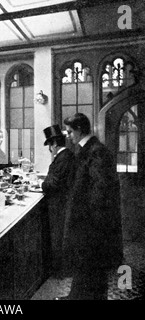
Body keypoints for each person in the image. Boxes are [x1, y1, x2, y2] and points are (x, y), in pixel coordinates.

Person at [56, 113, 123, 300]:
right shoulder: (85, 149)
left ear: (79, 130)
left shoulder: (96, 151)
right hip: (85, 221)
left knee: (91, 267)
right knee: (84, 265)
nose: (67, 136)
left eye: (69, 132)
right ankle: (76, 296)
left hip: (91, 223)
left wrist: (90, 222)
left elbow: (101, 191)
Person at [41, 124, 75, 278]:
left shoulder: (62, 158)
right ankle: (61, 269)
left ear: (54, 143)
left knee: (58, 237)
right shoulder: (67, 156)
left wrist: (42, 183)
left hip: (58, 205)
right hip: (63, 204)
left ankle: (58, 272)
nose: (50, 148)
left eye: (49, 145)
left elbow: (53, 183)